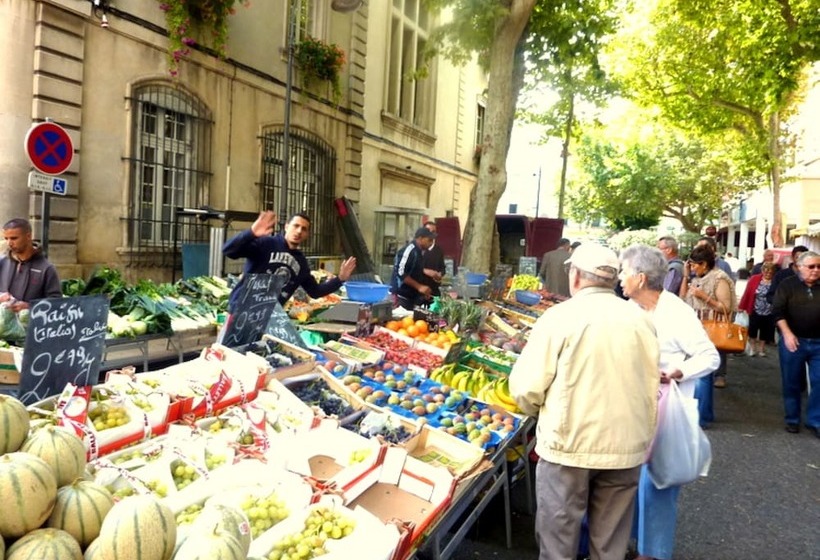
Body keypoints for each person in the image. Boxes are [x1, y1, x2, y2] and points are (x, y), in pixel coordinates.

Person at [509, 243, 660, 560]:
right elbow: (650, 381)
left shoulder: (560, 317)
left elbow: (526, 389)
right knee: (609, 546)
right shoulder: (641, 319)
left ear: (575, 277)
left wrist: (540, 411)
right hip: (626, 446)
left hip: (569, 446)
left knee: (558, 542)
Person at [619, 244, 719, 560]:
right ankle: (636, 545)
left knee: (658, 485)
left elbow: (709, 355)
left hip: (666, 413)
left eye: (624, 271)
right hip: (633, 410)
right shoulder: (630, 309)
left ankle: (653, 554)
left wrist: (679, 371)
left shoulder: (675, 312)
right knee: (629, 483)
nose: (619, 278)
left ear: (640, 278)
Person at [222, 211, 356, 310]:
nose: (299, 231)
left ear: (307, 235)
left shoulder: (301, 262)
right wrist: (250, 233)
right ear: (286, 226)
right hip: (240, 310)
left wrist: (340, 279)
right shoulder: (266, 244)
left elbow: (315, 291)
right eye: (295, 226)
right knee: (227, 348)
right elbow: (229, 250)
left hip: (269, 318)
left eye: (304, 229)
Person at [680, 245, 736, 424]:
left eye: (695, 265)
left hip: (710, 330)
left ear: (704, 263)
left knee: (703, 374)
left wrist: (704, 296)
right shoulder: (697, 277)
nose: (693, 267)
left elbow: (725, 307)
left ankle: (702, 417)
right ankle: (702, 415)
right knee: (700, 374)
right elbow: (683, 298)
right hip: (695, 327)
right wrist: (686, 275)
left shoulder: (720, 278)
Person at [771, 250, 820, 438]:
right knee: (791, 382)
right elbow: (778, 312)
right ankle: (792, 419)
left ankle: (815, 421)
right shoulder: (787, 285)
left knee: (819, 382)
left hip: (818, 343)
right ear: (799, 267)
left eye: (819, 266)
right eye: (811, 266)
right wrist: (788, 334)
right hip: (794, 341)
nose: (816, 270)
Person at [0, 218, 62, 309]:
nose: (9, 243)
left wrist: (30, 307)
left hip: (31, 322)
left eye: (14, 238)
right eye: (6, 238)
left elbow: (56, 302)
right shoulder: (2, 262)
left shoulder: (46, 268)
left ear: (28, 236)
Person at [391, 227, 436, 310]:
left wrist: (423, 291)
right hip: (401, 296)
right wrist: (419, 287)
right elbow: (400, 272)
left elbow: (415, 273)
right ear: (420, 238)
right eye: (429, 240)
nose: (431, 243)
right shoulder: (409, 250)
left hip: (412, 297)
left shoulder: (420, 252)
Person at [739, 262, 777, 357]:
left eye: (770, 272)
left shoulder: (775, 281)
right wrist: (741, 306)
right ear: (762, 271)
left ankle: (761, 349)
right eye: (766, 271)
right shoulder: (754, 279)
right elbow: (747, 293)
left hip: (769, 311)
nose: (768, 274)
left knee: (765, 330)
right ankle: (752, 348)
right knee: (753, 329)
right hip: (755, 308)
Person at [420, 221, 445, 297]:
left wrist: (439, 275)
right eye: (428, 231)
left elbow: (442, 268)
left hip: (434, 291)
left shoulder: (438, 250)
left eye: (433, 232)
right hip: (419, 291)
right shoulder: (418, 250)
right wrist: (426, 271)